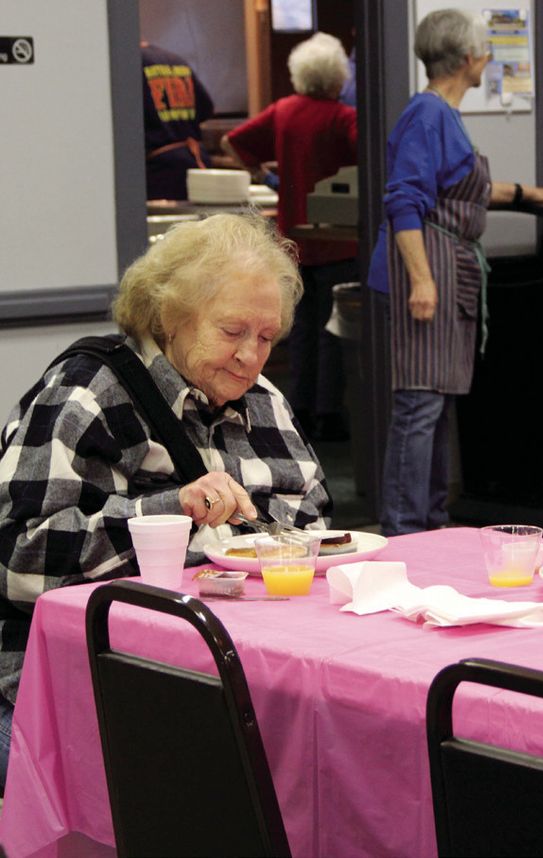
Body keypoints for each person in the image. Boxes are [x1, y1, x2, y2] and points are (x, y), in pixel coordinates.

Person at [0, 213, 331, 786]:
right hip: (66, 691)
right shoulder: (86, 394)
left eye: (267, 337)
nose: (252, 357)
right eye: (232, 332)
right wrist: (171, 513)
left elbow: (315, 524)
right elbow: (18, 560)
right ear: (170, 317)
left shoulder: (264, 400)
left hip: (225, 677)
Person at [365, 9, 543, 535]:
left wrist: (524, 193)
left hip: (450, 268)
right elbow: (403, 201)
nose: (489, 58)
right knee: (420, 405)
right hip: (427, 269)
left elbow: (457, 187)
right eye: (484, 50)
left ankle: (431, 522)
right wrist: (423, 280)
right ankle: (404, 529)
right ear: (469, 57)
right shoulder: (427, 115)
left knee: (437, 404)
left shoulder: (444, 115)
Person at [223, 32, 359, 442]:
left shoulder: (284, 110)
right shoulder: (344, 118)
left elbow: (233, 141)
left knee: (297, 329)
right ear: (338, 77)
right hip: (339, 241)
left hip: (292, 242)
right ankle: (329, 413)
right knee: (333, 331)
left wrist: (267, 177)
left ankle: (297, 408)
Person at [141, 41, 214, 201]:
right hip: (195, 162)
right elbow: (206, 108)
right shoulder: (177, 61)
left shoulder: (131, 63)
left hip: (159, 171)